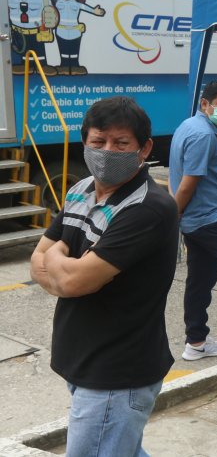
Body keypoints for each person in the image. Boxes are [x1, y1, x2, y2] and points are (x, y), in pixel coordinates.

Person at [29, 96, 178, 457]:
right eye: (98, 142)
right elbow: (36, 262)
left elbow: (75, 281)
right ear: (85, 143)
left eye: (120, 143)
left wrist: (58, 257)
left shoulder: (148, 207)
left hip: (116, 373)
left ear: (144, 149)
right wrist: (60, 265)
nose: (107, 151)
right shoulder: (80, 190)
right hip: (84, 362)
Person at [169, 80, 217, 362]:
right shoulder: (203, 135)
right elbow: (188, 183)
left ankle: (195, 342)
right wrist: (172, 216)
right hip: (212, 220)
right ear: (205, 104)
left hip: (196, 222)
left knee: (199, 282)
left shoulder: (189, 126)